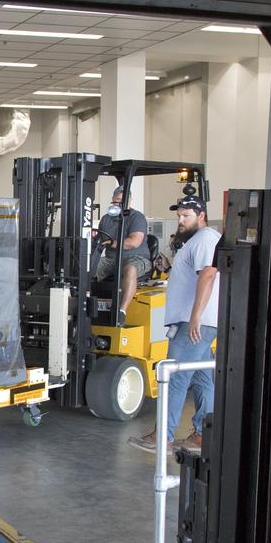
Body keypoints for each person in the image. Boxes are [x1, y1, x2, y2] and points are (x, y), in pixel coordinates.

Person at [128, 193, 220, 453]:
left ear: (201, 216)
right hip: (198, 321)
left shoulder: (205, 239)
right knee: (202, 378)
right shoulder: (196, 241)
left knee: (175, 376)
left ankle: (163, 437)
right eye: (179, 215)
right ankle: (203, 434)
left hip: (195, 322)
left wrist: (195, 317)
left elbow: (208, 275)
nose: (180, 220)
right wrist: (169, 268)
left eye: (186, 216)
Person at [93, 186, 150, 325]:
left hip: (136, 258)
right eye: (117, 201)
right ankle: (83, 305)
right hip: (112, 259)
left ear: (129, 201)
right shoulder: (106, 219)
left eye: (123, 202)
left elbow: (133, 242)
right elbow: (100, 240)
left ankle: (121, 311)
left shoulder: (137, 217)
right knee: (87, 267)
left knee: (130, 269)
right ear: (112, 200)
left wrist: (109, 242)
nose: (119, 205)